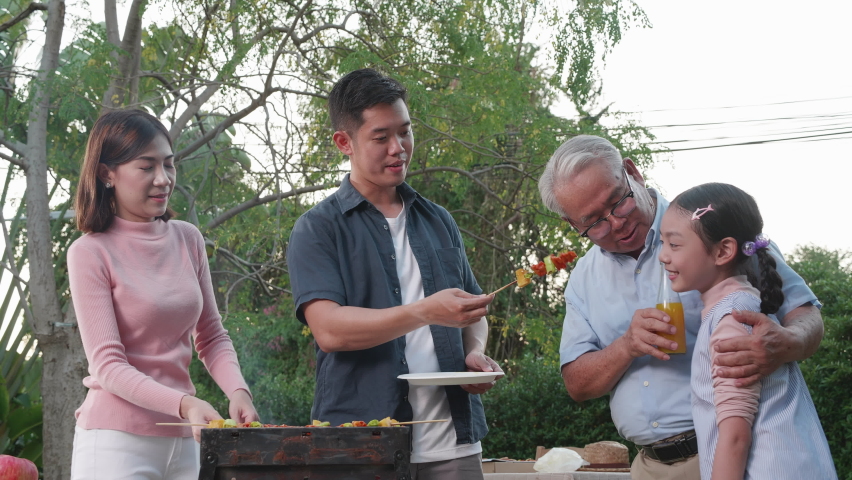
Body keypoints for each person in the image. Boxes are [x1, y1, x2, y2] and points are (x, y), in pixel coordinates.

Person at [537, 135, 824, 480]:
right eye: (594, 221)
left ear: (632, 173)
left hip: (738, 454)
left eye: (618, 202)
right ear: (573, 224)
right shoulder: (584, 278)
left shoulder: (713, 226)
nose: (616, 223)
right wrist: (626, 346)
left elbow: (805, 313)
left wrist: (789, 342)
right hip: (648, 466)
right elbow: (577, 384)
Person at [286, 68, 501, 480]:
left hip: (454, 443)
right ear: (344, 143)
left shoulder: (439, 220)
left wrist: (474, 351)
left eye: (405, 132)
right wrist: (424, 312)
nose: (398, 148)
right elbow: (329, 330)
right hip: (360, 446)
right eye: (381, 137)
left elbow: (473, 311)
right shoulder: (317, 228)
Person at [68, 110, 259, 479]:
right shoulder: (90, 252)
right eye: (146, 167)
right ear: (107, 173)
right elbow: (108, 366)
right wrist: (185, 404)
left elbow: (212, 336)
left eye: (169, 164)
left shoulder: (187, 239)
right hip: (116, 443)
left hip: (184, 441)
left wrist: (239, 391)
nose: (163, 178)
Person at [659, 183, 836, 480]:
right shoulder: (740, 305)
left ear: (723, 251)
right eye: (662, 242)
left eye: (674, 245)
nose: (663, 256)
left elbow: (735, 438)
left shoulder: (733, 318)